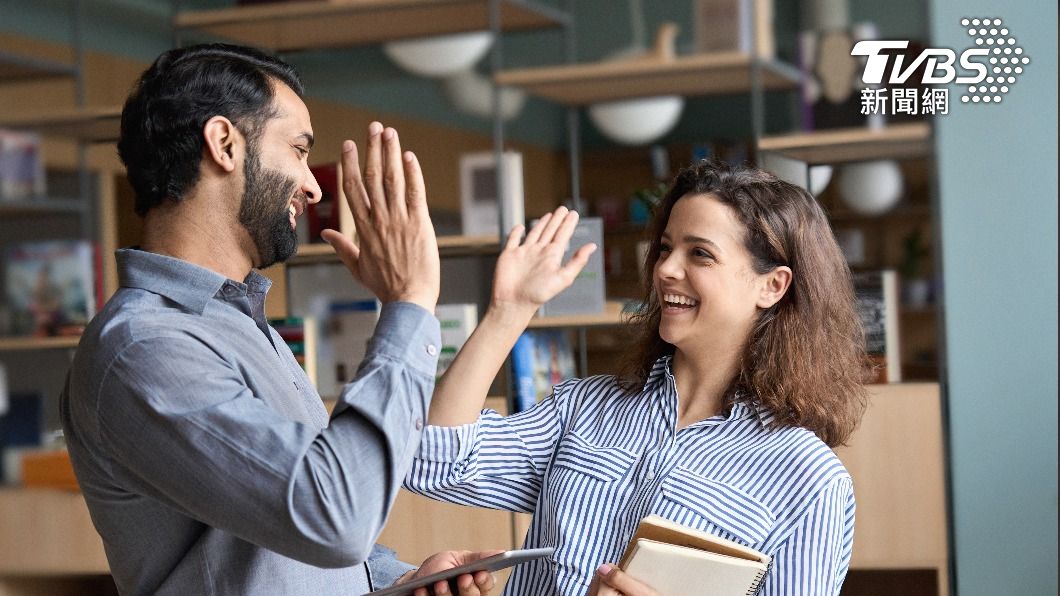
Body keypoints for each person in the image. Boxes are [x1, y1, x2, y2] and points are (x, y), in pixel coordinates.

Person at [60, 43, 500, 596]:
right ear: (223, 144)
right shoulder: (144, 347)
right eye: (297, 149)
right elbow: (333, 516)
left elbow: (283, 536)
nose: (313, 185)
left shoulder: (242, 326)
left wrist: (398, 580)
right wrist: (408, 304)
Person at [405, 160, 870, 595]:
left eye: (700, 254)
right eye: (666, 248)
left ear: (772, 286)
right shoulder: (584, 408)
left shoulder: (810, 481)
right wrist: (507, 313)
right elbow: (432, 460)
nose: (665, 269)